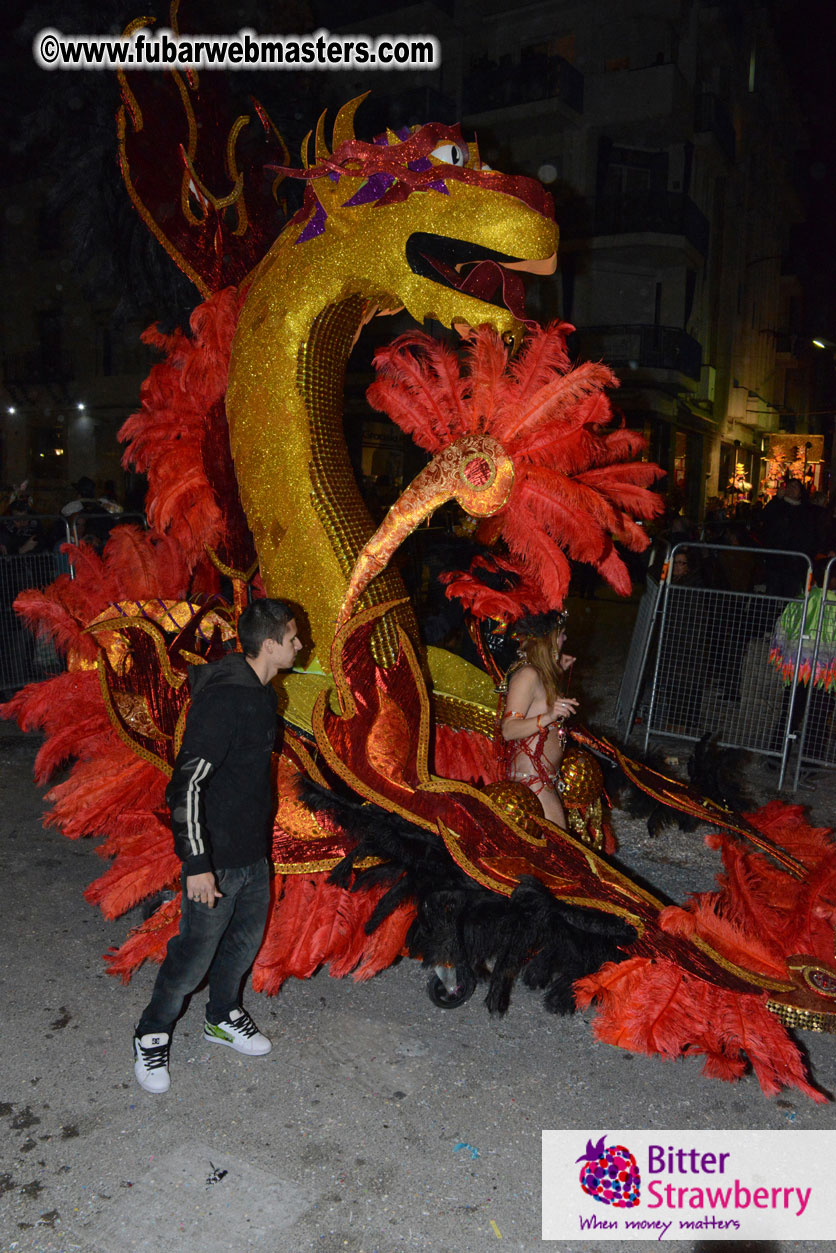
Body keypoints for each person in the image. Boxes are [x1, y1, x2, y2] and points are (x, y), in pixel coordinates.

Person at [133, 598, 303, 1094]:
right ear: (269, 646)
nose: (300, 644)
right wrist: (197, 863)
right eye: (293, 638)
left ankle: (222, 1015)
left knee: (243, 945)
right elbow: (185, 784)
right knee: (193, 955)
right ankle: (151, 1033)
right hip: (216, 857)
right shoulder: (228, 698)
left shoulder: (264, 693)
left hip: (252, 851)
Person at [497, 611, 578, 827]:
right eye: (562, 634)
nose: (565, 639)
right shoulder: (527, 676)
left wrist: (559, 668)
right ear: (549, 638)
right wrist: (550, 716)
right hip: (531, 784)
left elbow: (539, 702)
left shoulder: (541, 673)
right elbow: (509, 729)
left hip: (544, 782)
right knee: (557, 854)